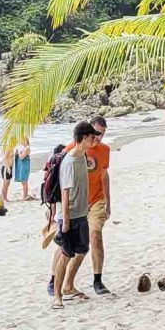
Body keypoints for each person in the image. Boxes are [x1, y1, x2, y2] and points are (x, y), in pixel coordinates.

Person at [49, 120, 99, 309]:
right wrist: (66, 222)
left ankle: (68, 287)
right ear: (84, 138)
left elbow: (87, 171)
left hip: (81, 213)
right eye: (92, 136)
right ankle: (57, 296)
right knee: (66, 254)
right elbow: (65, 192)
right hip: (69, 216)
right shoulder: (69, 161)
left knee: (82, 249)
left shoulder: (82, 156)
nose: (95, 139)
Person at [84, 115, 114, 295]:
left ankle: (97, 280)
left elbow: (104, 175)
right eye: (95, 133)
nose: (97, 138)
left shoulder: (105, 150)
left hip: (97, 199)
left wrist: (109, 202)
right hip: (78, 202)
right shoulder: (75, 148)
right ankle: (56, 279)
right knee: (73, 245)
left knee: (95, 235)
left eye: (101, 134)